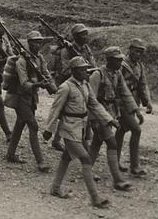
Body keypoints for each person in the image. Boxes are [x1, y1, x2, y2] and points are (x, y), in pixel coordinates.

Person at [45, 56, 113, 209]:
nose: (86, 72)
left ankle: (55, 188)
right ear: (74, 71)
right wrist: (49, 129)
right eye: (83, 69)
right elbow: (55, 109)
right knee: (86, 159)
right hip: (69, 128)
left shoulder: (85, 85)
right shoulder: (65, 87)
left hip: (80, 128)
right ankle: (95, 198)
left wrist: (108, 120)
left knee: (66, 157)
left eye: (86, 69)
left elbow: (94, 105)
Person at [88, 46, 137, 192]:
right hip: (99, 114)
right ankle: (117, 180)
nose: (120, 62)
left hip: (110, 112)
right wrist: (93, 120)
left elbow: (125, 92)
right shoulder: (97, 75)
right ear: (109, 60)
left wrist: (135, 109)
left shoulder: (117, 74)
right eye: (117, 60)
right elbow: (91, 99)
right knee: (112, 143)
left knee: (96, 143)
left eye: (121, 59)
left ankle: (87, 170)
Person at [5, 30, 55, 171]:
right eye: (35, 42)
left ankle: (10, 154)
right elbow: (24, 84)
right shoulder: (21, 61)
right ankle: (40, 162)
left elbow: (46, 73)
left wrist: (53, 87)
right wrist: (39, 84)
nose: (37, 45)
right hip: (21, 97)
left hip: (32, 97)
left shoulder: (39, 58)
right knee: (33, 125)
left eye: (39, 42)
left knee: (20, 124)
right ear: (29, 43)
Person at [118, 38, 152, 176]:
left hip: (134, 100)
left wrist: (147, 101)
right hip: (121, 102)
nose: (139, 54)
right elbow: (118, 84)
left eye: (141, 52)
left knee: (121, 131)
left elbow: (142, 85)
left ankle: (115, 161)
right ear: (130, 49)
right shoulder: (121, 63)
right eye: (137, 51)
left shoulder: (139, 66)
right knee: (136, 130)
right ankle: (134, 166)